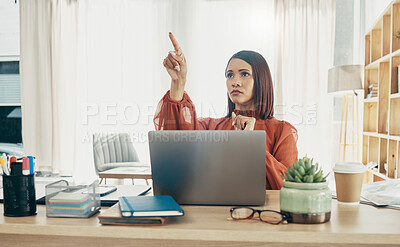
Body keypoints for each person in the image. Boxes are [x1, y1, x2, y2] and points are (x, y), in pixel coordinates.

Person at [154, 32, 298, 189]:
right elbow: (176, 141)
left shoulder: (282, 132)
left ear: (261, 79)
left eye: (244, 74)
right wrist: (178, 82)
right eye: (230, 75)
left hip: (264, 214)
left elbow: (289, 187)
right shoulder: (211, 127)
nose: (235, 82)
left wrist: (251, 143)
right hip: (214, 212)